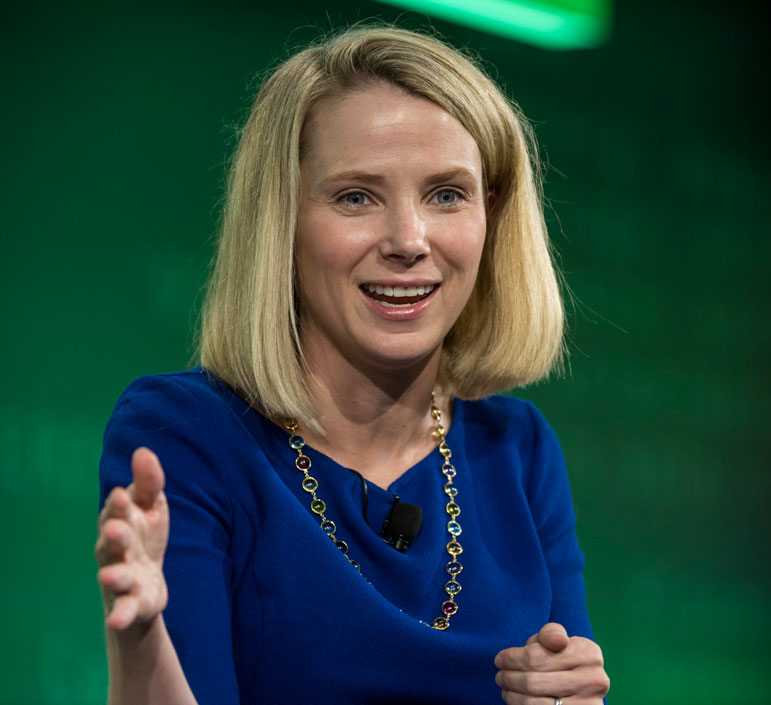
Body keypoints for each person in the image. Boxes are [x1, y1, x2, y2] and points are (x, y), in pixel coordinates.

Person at [96, 25, 609, 705]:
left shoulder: (516, 450)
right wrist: (141, 646)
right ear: (283, 219)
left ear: (492, 216)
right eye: (356, 197)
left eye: (446, 194)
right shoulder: (189, 435)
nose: (407, 240)